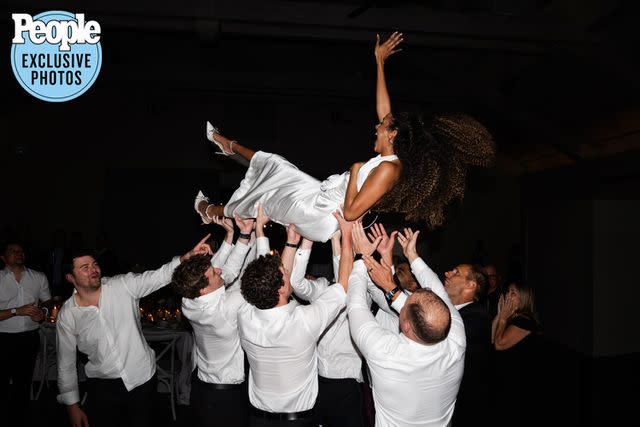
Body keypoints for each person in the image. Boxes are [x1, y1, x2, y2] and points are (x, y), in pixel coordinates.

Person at [195, 32, 495, 242]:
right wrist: (379, 62)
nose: (376, 126)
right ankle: (225, 143)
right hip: (321, 197)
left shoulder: (389, 169)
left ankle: (209, 210)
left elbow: (352, 212)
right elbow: (384, 108)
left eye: (382, 126)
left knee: (265, 201)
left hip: (323, 214)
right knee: (276, 165)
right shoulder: (390, 158)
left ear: (391, 134)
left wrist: (353, 172)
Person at [56, 235, 212, 427]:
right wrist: (72, 405)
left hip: (142, 379)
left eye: (94, 264)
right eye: (85, 268)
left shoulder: (121, 285)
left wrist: (185, 258)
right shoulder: (68, 315)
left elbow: (158, 277)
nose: (93, 270)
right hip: (103, 386)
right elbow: (66, 363)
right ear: (70, 277)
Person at [237, 211, 353, 426]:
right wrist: (346, 234)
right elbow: (344, 284)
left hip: (257, 420)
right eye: (285, 272)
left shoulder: (244, 315)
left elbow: (269, 277)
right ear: (281, 288)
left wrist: (291, 243)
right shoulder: (303, 321)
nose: (287, 272)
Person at [349, 227, 465, 426]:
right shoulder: (456, 341)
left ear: (406, 326)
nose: (404, 298)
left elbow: (355, 304)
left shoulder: (385, 352)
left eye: (407, 301)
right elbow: (437, 291)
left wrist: (363, 256)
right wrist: (411, 255)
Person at [171, 217, 260, 427]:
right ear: (203, 289)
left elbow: (224, 271)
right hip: (226, 397)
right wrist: (254, 236)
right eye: (213, 273)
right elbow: (245, 276)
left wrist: (239, 236)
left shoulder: (188, 301)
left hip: (201, 389)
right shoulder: (226, 307)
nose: (218, 270)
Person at [289, 230, 365, 427]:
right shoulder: (323, 287)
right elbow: (295, 283)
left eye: (351, 254)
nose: (347, 256)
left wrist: (337, 240)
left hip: (347, 380)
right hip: (317, 379)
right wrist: (310, 242)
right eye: (348, 252)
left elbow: (345, 283)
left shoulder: (361, 293)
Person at [0, 242, 51, 419]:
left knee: (23, 383)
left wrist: (42, 313)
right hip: (3, 338)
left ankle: (18, 418)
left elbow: (47, 302)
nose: (18, 253)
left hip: (29, 338)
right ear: (3, 258)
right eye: (12, 251)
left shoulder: (38, 277)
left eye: (21, 251)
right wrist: (16, 311)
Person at [443, 263, 491, 426]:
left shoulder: (476, 317)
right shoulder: (451, 311)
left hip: (464, 410)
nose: (448, 273)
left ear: (471, 285)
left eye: (456, 273)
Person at [491, 281, 541, 426]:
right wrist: (500, 315)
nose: (508, 296)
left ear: (524, 299)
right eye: (508, 292)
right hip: (506, 380)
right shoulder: (514, 319)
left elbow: (499, 345)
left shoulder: (524, 320)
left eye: (513, 293)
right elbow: (493, 340)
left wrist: (503, 319)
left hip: (517, 384)